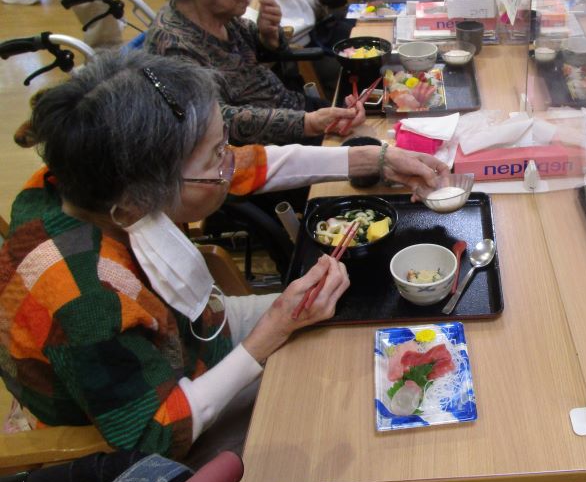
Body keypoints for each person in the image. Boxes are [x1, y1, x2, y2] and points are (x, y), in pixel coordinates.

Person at [0, 50, 448, 460]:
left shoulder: (95, 175)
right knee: (336, 411)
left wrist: (378, 159)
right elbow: (153, 435)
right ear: (137, 203)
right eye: (216, 157)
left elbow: (250, 164)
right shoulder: (82, 294)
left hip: (190, 338)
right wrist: (272, 332)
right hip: (147, 429)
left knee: (355, 324)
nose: (229, 164)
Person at [144, 0, 362, 145]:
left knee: (370, 117)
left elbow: (255, 43)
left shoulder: (218, 15)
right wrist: (307, 123)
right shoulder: (172, 47)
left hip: (292, 111)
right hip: (263, 152)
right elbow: (218, 121)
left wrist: (268, 36)